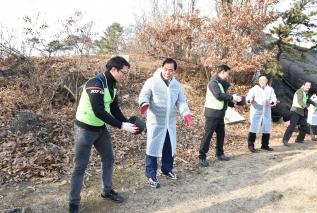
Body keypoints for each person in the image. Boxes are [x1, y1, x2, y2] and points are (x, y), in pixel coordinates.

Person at [69, 56, 139, 213]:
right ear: (113, 69)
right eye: (124, 72)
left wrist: (127, 122)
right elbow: (99, 111)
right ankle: (73, 203)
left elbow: (114, 109)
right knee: (80, 167)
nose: (125, 75)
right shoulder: (96, 83)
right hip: (85, 130)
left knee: (108, 158)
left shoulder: (113, 85)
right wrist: (121, 126)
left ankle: (107, 191)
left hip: (100, 129)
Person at [139, 58, 192, 188]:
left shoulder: (176, 85)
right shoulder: (152, 82)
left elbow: (181, 101)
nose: (168, 72)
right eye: (166, 69)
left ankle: (167, 169)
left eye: (171, 70)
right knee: (152, 147)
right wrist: (144, 104)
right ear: (162, 68)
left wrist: (185, 113)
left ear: (175, 71)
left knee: (169, 147)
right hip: (156, 122)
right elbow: (144, 95)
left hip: (170, 123)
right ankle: (151, 175)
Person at [198, 64, 242, 167]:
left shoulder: (221, 84)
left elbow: (224, 98)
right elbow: (218, 95)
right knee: (208, 135)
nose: (228, 75)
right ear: (222, 72)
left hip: (220, 114)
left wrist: (235, 101)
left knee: (221, 134)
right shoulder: (213, 82)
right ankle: (202, 157)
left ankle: (220, 154)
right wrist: (232, 97)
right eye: (227, 73)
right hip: (212, 113)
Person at [246, 74, 277, 152]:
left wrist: (272, 102)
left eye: (264, 80)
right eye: (261, 80)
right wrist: (250, 100)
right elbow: (249, 97)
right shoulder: (254, 89)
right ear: (259, 81)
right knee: (253, 128)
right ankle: (251, 146)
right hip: (256, 111)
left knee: (267, 128)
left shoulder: (270, 89)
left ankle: (265, 145)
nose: (262, 81)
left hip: (266, 111)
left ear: (267, 81)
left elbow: (274, 98)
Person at [282, 81, 317, 146]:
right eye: (307, 85)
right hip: (295, 110)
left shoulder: (305, 93)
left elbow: (308, 100)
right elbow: (300, 101)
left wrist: (316, 104)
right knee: (292, 126)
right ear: (303, 85)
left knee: (304, 126)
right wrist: (307, 107)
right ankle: (285, 140)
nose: (308, 87)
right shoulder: (299, 91)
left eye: (309, 86)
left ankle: (299, 139)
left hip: (301, 112)